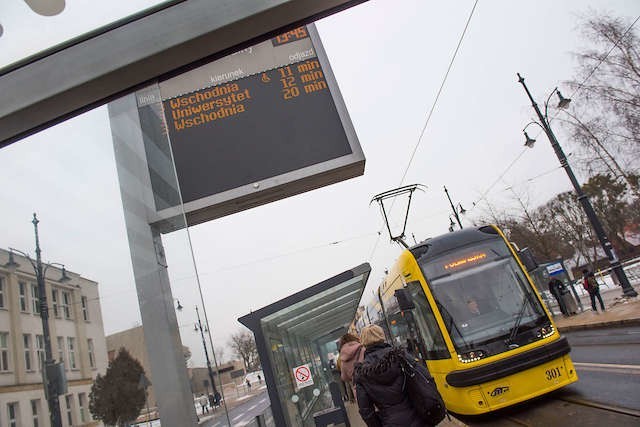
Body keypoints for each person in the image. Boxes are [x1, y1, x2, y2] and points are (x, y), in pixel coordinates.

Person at [354, 325, 424, 427]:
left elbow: (366, 411)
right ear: (382, 336)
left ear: (363, 342)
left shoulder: (362, 373)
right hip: (416, 416)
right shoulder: (400, 356)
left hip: (389, 421)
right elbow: (421, 380)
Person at [338, 332, 365, 401]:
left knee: (366, 410)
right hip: (372, 383)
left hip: (359, 390)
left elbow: (344, 377)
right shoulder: (362, 348)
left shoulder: (343, 357)